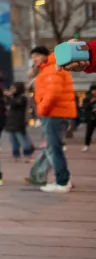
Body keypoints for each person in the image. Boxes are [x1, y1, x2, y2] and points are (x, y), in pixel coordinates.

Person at [26, 46, 77, 193]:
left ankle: (62, 182)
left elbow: (53, 94)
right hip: (56, 113)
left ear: (45, 55)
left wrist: (41, 110)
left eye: (36, 55)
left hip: (55, 114)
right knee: (55, 149)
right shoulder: (48, 69)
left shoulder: (53, 68)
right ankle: (63, 179)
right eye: (32, 56)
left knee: (55, 149)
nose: (34, 59)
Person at [5, 82, 34, 161]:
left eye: (13, 88)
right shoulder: (13, 97)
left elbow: (15, 104)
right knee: (13, 141)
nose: (11, 90)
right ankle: (16, 156)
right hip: (11, 122)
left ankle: (27, 155)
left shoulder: (22, 98)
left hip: (19, 122)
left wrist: (9, 97)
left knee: (22, 140)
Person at [82, 85, 96, 151]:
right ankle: (86, 145)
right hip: (91, 118)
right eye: (94, 90)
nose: (95, 91)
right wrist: (91, 102)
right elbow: (85, 107)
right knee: (89, 132)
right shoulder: (88, 98)